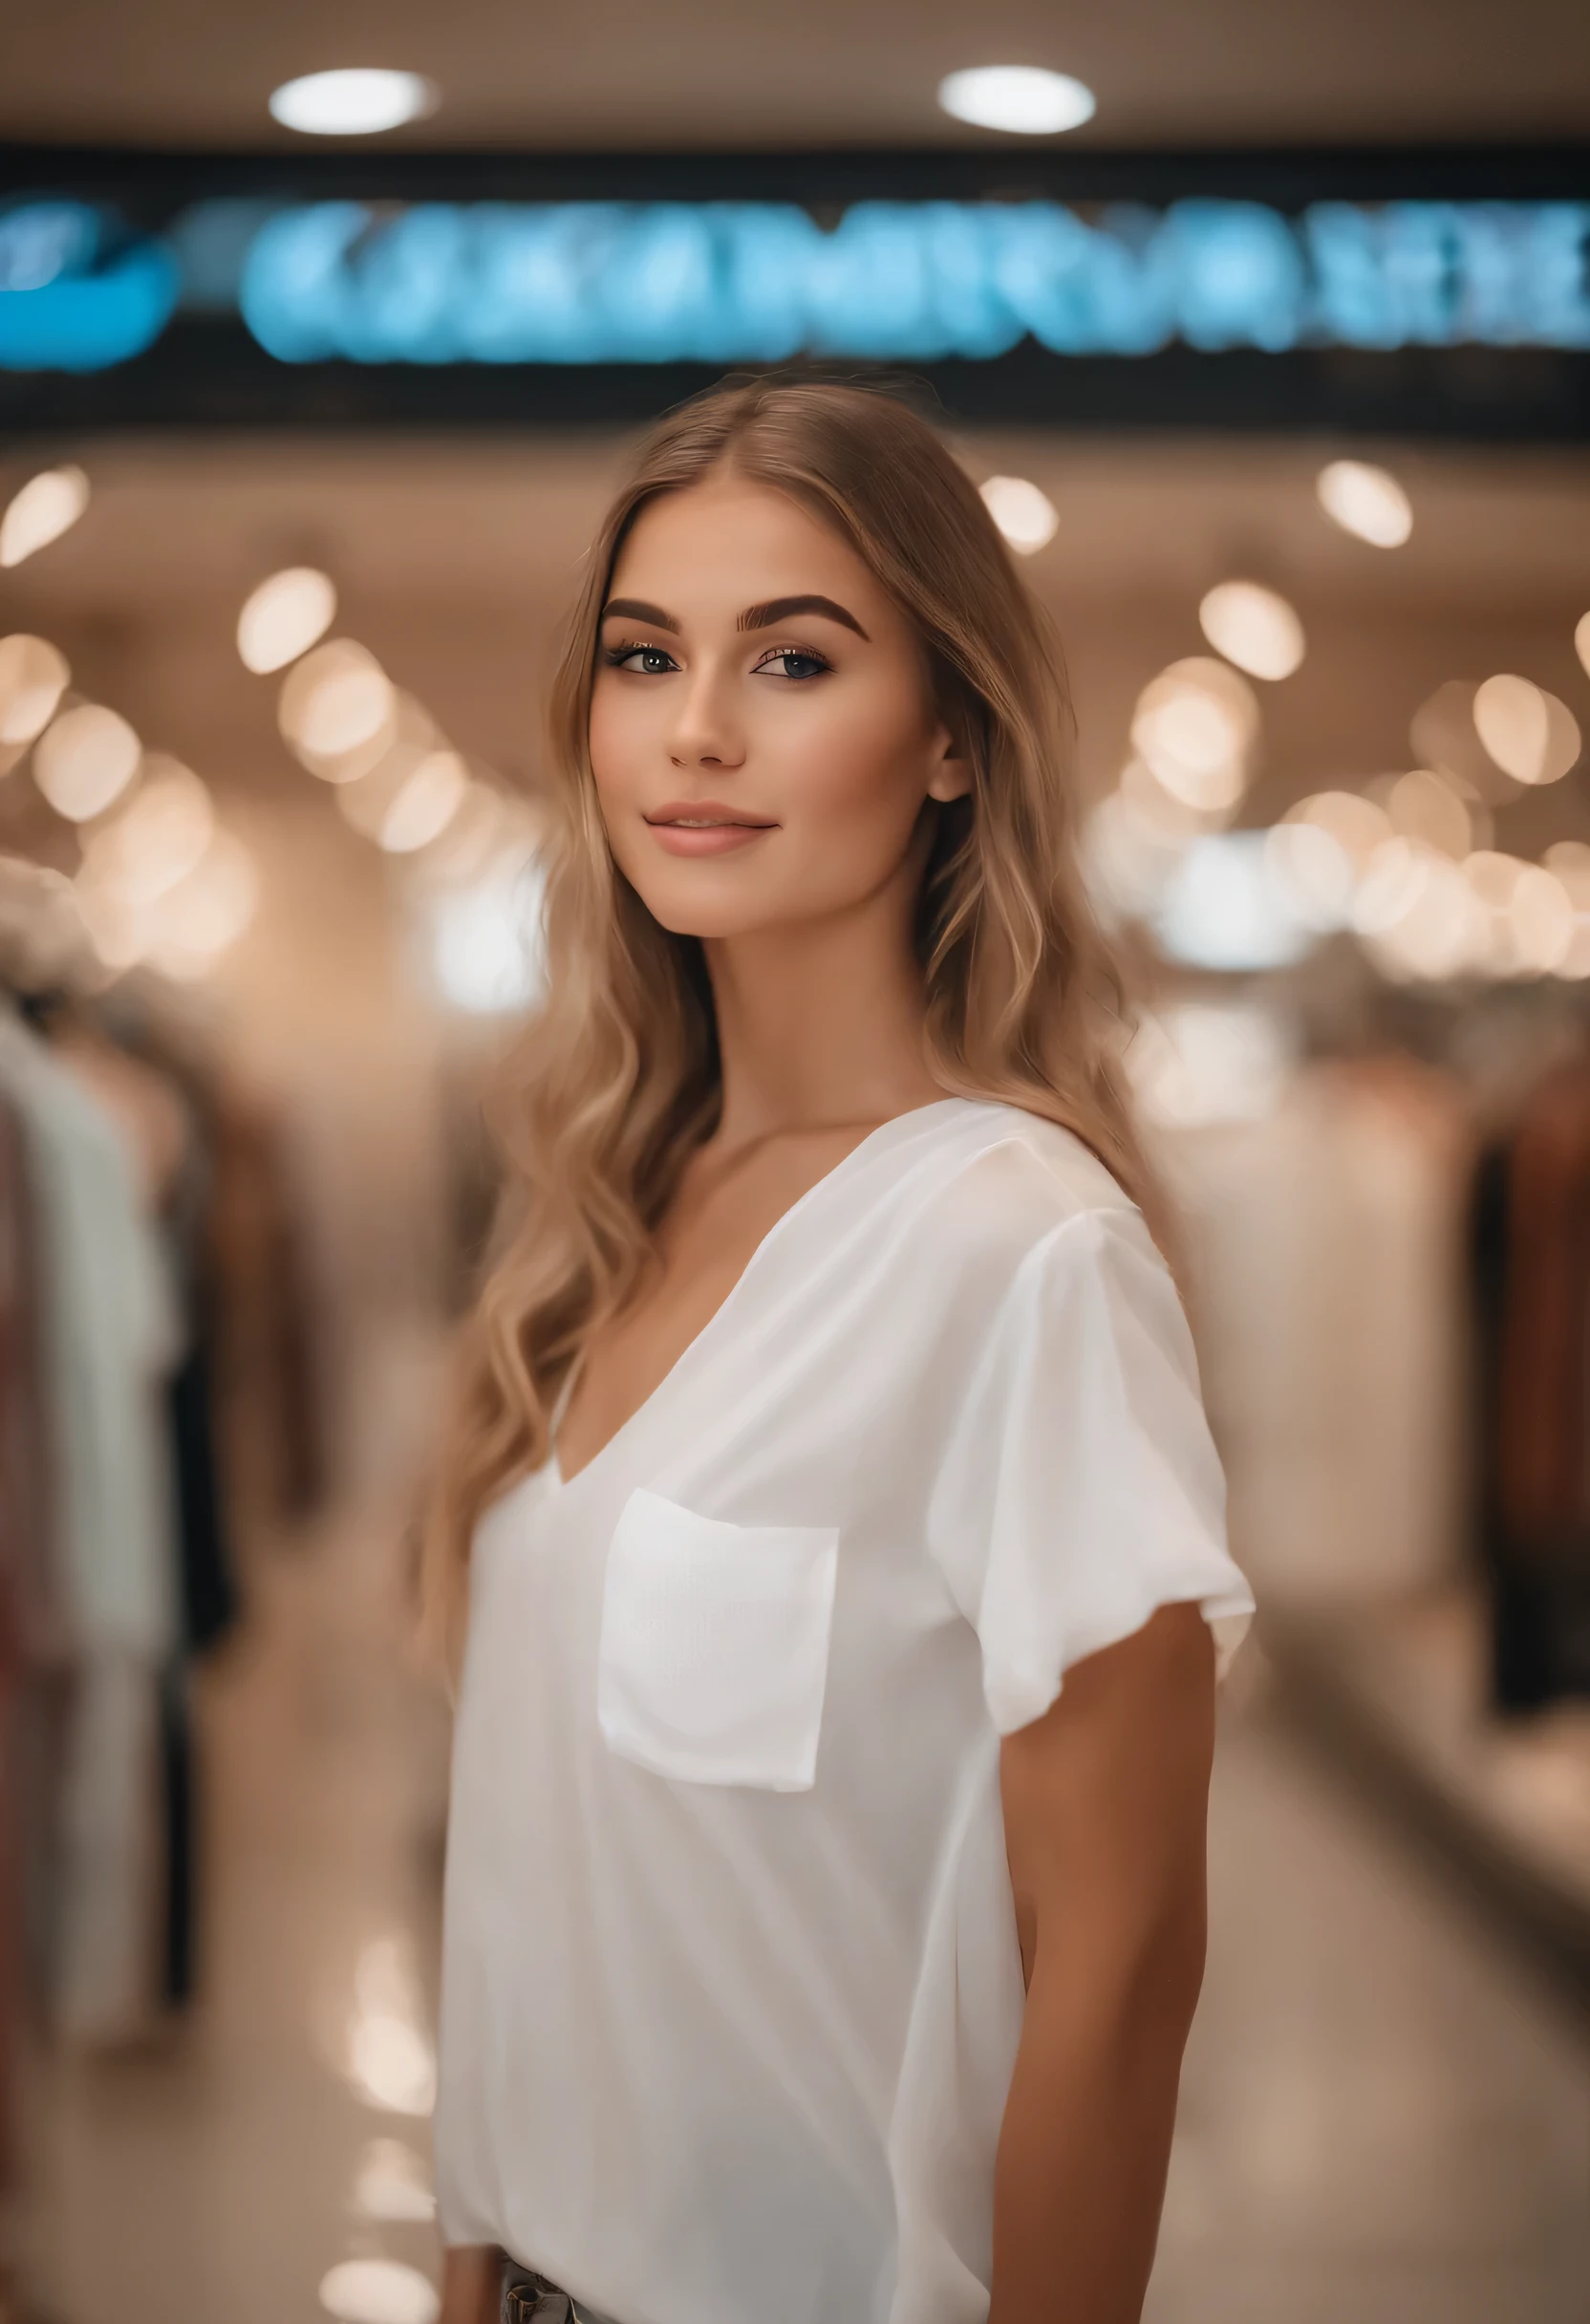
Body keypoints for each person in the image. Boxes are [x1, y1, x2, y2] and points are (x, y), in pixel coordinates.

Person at [428, 378, 1253, 2324]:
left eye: (793, 659)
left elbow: (1119, 1976)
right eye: (646, 656)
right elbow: (535, 1887)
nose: (696, 729)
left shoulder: (1017, 1251)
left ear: (952, 735)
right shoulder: (609, 1218)